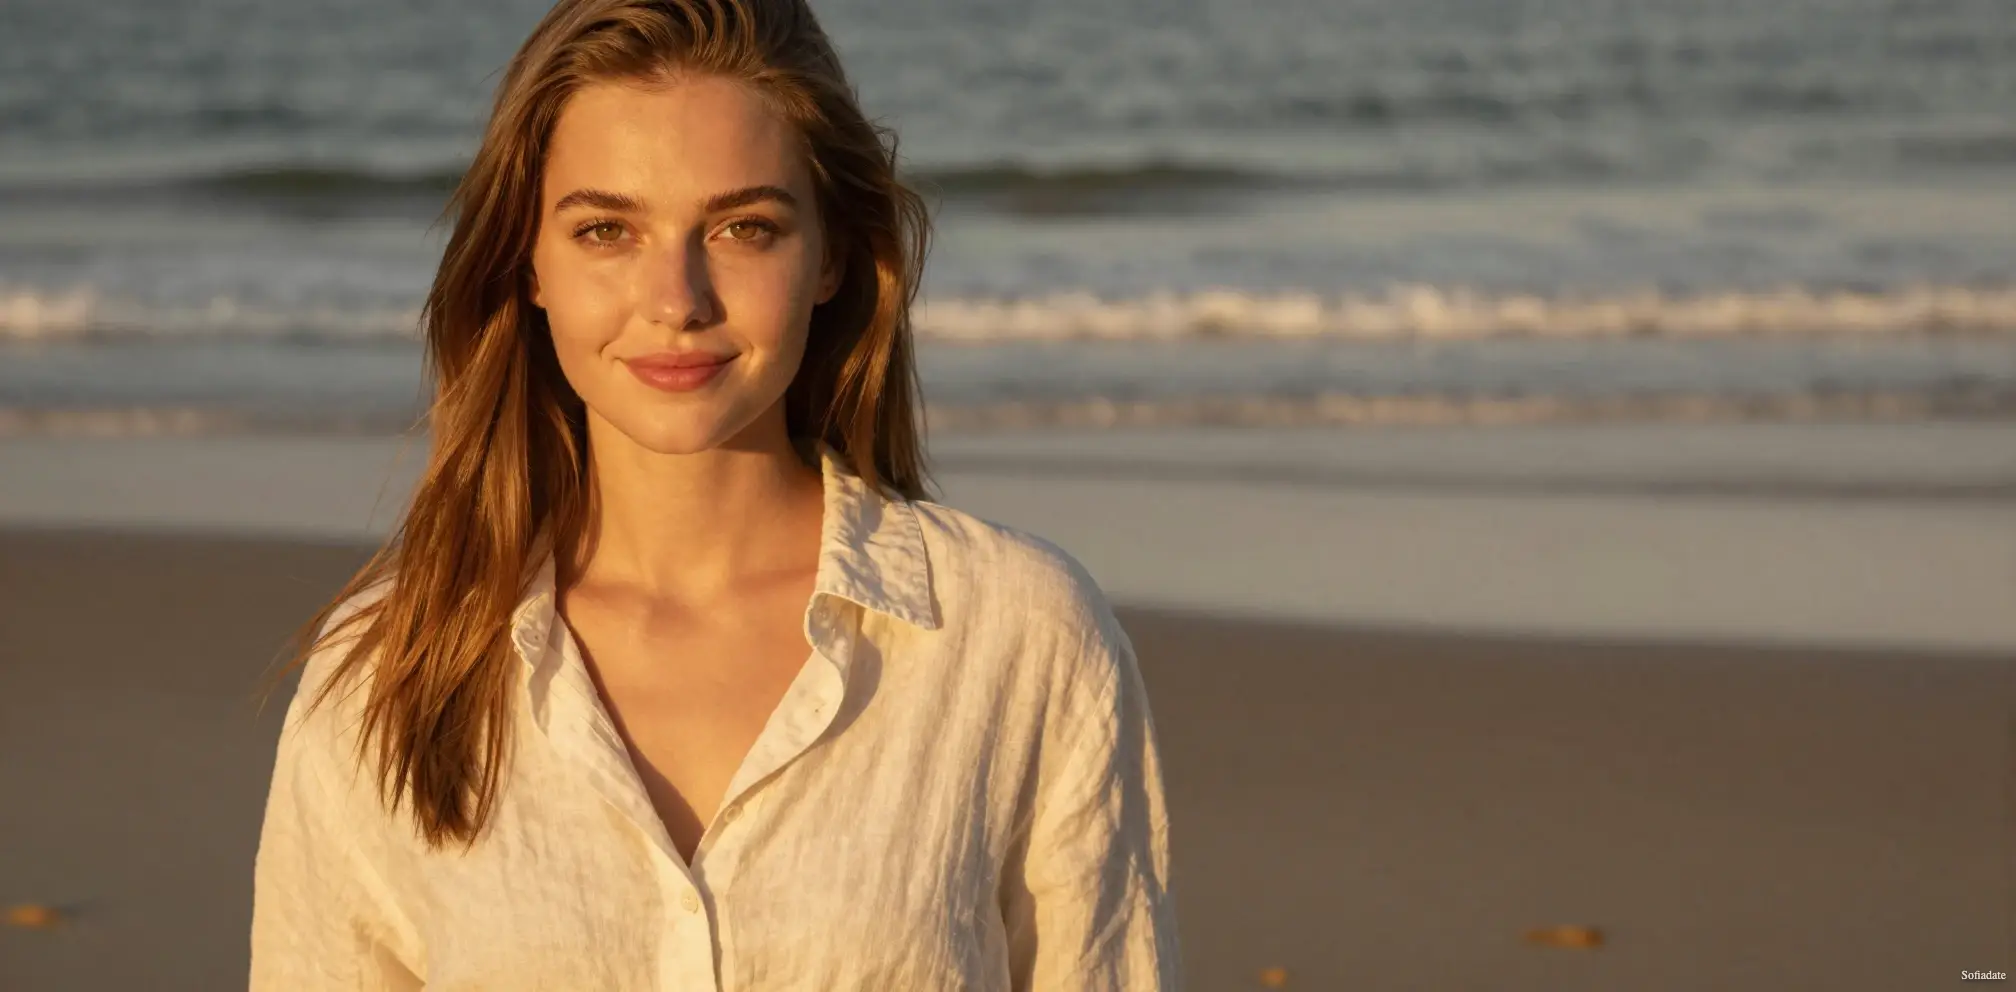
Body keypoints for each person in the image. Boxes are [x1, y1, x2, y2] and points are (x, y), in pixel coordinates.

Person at [246, 0, 1182, 988]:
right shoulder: (387, 672)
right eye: (607, 230)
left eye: (744, 228)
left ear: (830, 255)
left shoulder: (1017, 635)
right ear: (529, 264)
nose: (677, 300)